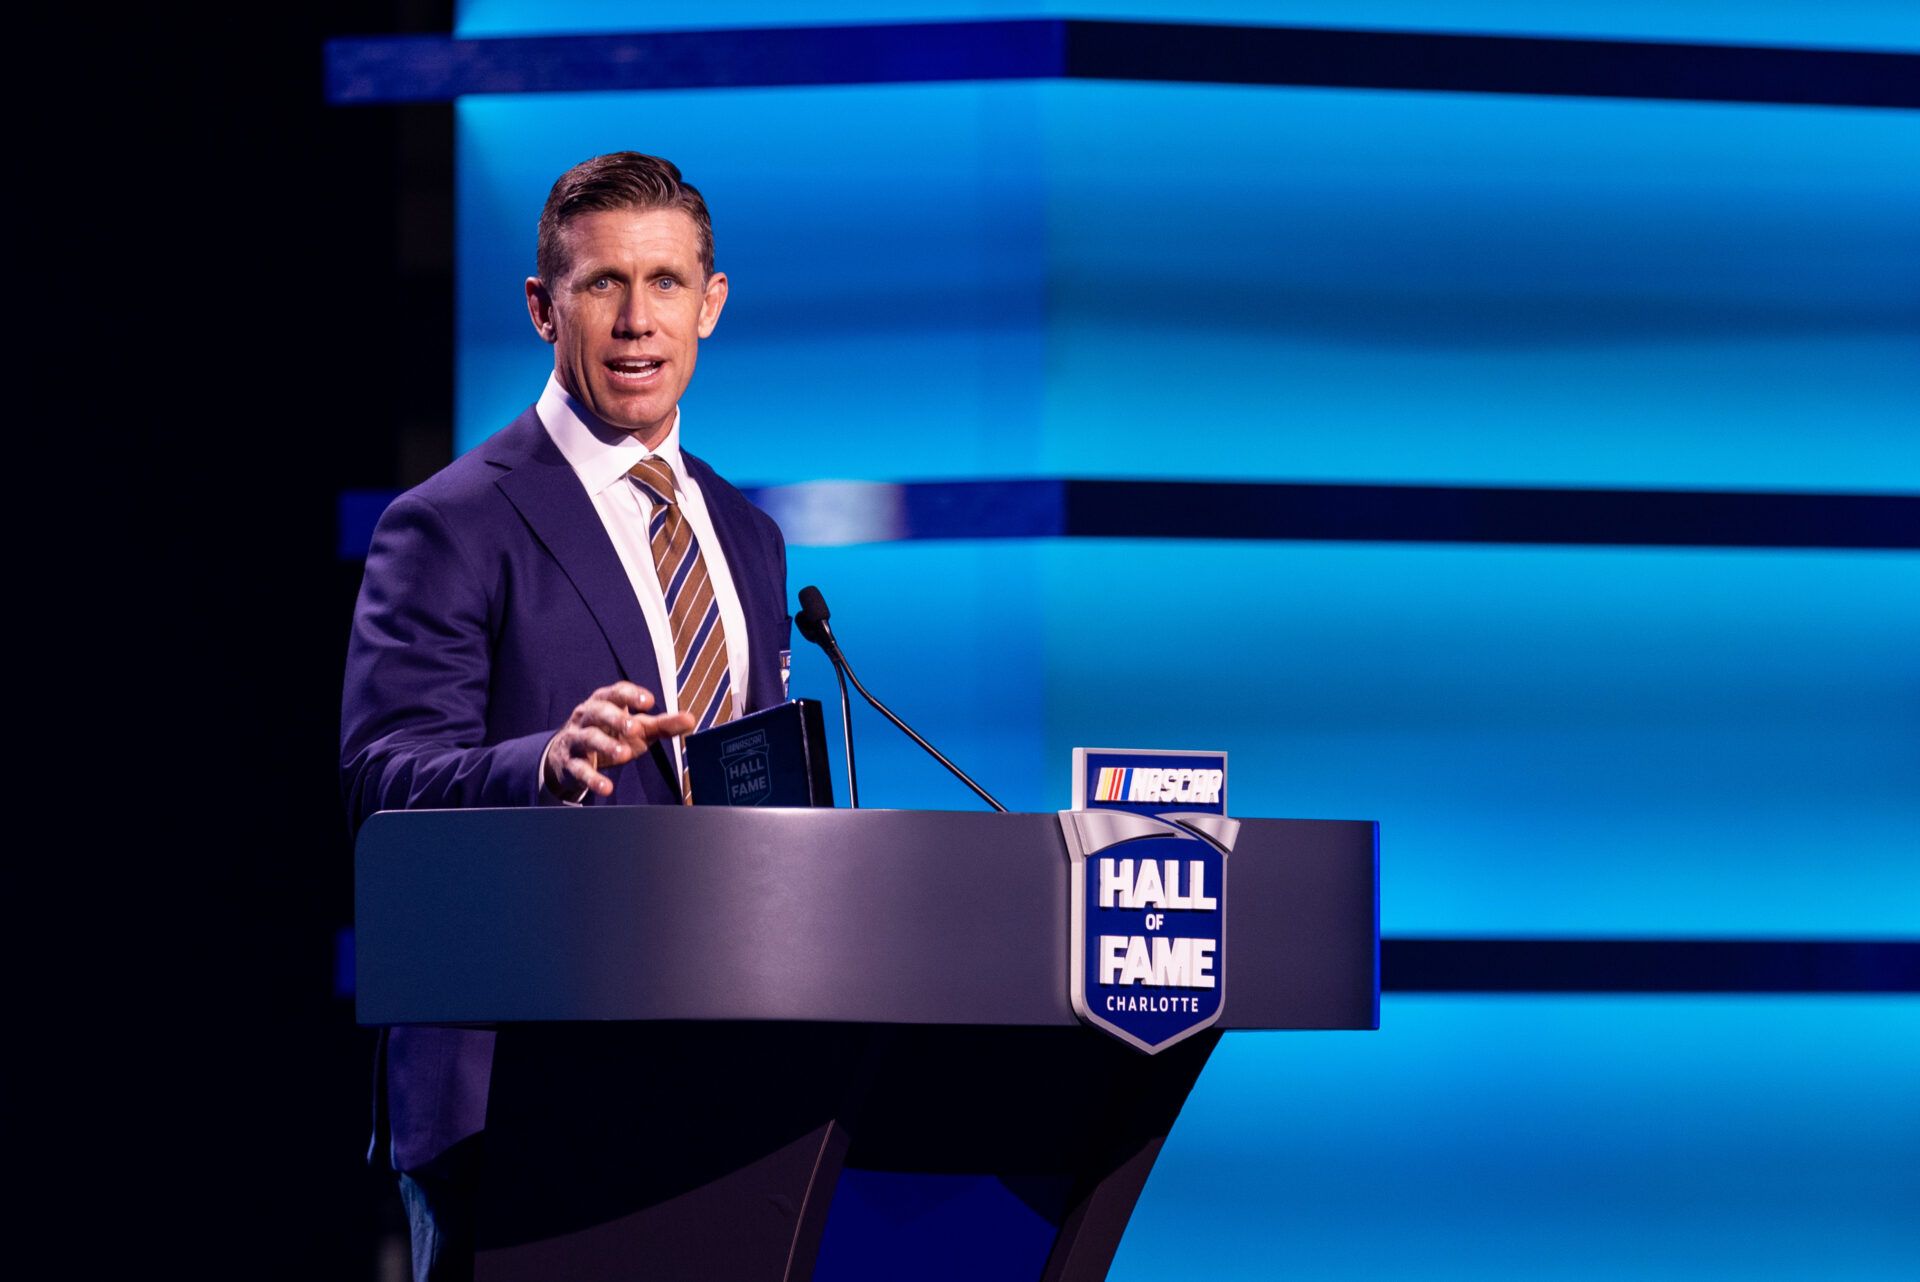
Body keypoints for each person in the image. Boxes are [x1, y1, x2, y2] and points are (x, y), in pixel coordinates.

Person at [340, 152, 791, 1280]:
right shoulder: (450, 523)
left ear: (713, 303)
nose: (638, 321)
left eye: (667, 283)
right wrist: (542, 763)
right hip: (518, 1090)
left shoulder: (747, 536)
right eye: (602, 285)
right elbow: (382, 780)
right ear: (544, 307)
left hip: (719, 1080)